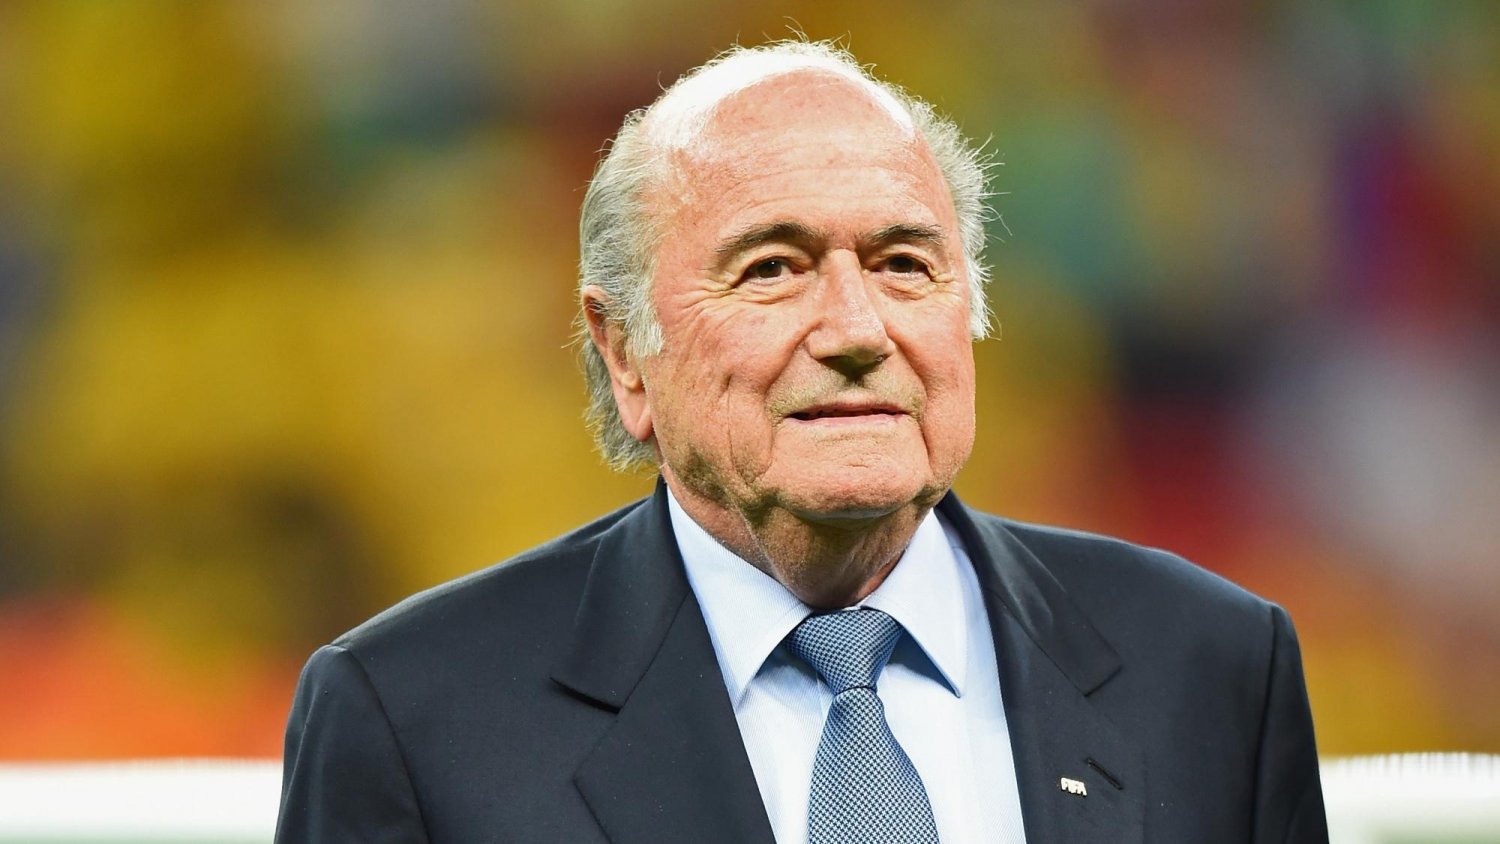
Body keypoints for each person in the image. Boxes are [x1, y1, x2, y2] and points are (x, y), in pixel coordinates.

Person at [275, 40, 1328, 843]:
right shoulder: (412, 717)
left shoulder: (1214, 667)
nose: (858, 330)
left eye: (904, 264)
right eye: (772, 267)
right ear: (625, 352)